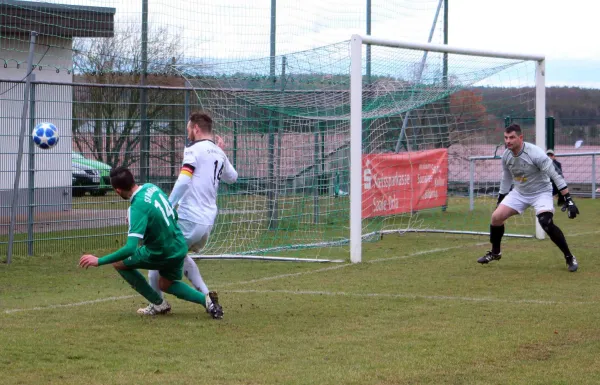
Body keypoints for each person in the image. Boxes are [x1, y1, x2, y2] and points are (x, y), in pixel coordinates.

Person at [79, 166, 223, 318]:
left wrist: (99, 260)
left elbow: (130, 248)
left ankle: (158, 303)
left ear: (117, 191)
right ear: (132, 179)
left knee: (118, 263)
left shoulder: (137, 207)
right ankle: (207, 301)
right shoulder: (151, 187)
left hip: (161, 252)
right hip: (178, 245)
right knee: (165, 284)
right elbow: (173, 213)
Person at [140, 111, 238, 315]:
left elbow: (184, 180)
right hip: (207, 224)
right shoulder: (218, 153)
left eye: (188, 129)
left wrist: (167, 206)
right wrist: (222, 153)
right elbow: (233, 177)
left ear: (196, 128)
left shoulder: (193, 150)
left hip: (189, 218)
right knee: (181, 256)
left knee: (155, 259)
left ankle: (158, 304)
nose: (188, 134)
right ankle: (208, 297)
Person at [477, 124, 580, 272]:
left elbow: (555, 175)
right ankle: (495, 252)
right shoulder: (506, 155)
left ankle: (569, 257)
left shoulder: (535, 154)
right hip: (519, 193)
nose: (508, 141)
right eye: (506, 138)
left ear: (520, 138)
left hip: (541, 192)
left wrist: (568, 199)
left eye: (512, 137)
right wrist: (501, 199)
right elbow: (506, 179)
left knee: (546, 222)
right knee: (496, 217)